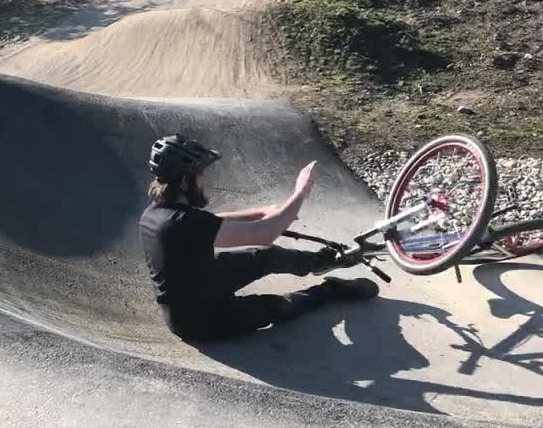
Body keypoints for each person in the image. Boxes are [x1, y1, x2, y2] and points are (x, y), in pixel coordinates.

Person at [139, 133, 378, 342]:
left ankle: (322, 262)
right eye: (200, 173)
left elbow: (215, 220)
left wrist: (264, 211)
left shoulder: (158, 213)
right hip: (203, 321)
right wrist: (300, 193)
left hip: (199, 284)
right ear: (184, 180)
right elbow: (265, 234)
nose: (204, 179)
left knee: (265, 257)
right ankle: (332, 290)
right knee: (279, 306)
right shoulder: (184, 223)